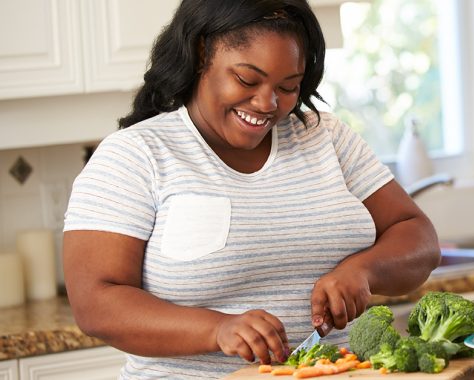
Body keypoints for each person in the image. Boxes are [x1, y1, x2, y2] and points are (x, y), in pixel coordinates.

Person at [62, 0, 440, 378]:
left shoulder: (325, 137)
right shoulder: (136, 155)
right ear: (199, 53)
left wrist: (364, 271)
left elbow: (418, 237)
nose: (267, 103)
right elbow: (95, 304)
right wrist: (217, 329)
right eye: (247, 79)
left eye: (288, 87)